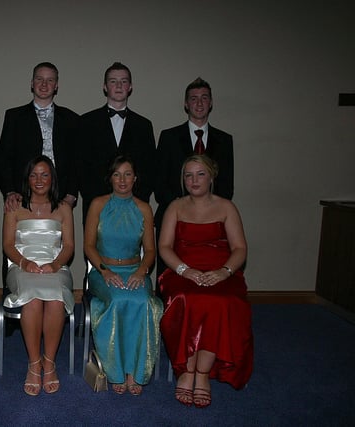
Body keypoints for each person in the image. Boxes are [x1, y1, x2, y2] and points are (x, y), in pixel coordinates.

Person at [158, 154, 253, 408]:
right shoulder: (175, 207)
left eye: (200, 174)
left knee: (219, 301)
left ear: (211, 177)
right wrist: (184, 270)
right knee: (187, 299)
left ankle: (203, 374)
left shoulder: (226, 207)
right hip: (182, 273)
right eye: (188, 175)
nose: (194, 180)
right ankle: (187, 371)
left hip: (221, 272)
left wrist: (224, 271)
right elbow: (165, 247)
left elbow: (240, 248)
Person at [84, 154, 163, 395]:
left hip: (135, 270)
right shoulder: (98, 204)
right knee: (118, 300)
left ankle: (134, 372)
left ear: (135, 178)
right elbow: (88, 246)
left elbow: (150, 250)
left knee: (143, 302)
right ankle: (115, 371)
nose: (122, 180)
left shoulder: (144, 208)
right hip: (102, 271)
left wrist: (142, 271)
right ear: (110, 178)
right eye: (117, 174)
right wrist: (105, 272)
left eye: (128, 174)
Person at [2, 155, 74, 396]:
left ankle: (49, 362)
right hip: (21, 267)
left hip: (56, 267)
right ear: (27, 179)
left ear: (52, 177)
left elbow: (69, 247)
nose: (39, 180)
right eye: (34, 175)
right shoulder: (15, 207)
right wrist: (25, 262)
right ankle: (34, 364)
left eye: (44, 174)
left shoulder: (64, 208)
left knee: (55, 298)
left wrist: (55, 264)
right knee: (31, 298)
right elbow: (8, 246)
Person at [155, 77, 234, 279]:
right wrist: (184, 209)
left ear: (211, 103)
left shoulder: (224, 140)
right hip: (175, 222)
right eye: (193, 98)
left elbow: (226, 185)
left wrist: (207, 212)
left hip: (213, 223)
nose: (199, 103)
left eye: (204, 98)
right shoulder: (168, 137)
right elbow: (160, 182)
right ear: (186, 104)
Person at [79, 62, 156, 222]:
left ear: (130, 87)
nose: (119, 85)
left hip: (133, 205)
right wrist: (96, 199)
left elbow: (149, 167)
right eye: (113, 81)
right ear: (105, 87)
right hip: (97, 206)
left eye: (124, 81)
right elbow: (80, 166)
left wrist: (136, 199)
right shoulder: (86, 122)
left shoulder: (144, 125)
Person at [0, 62, 79, 213]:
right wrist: (9, 191)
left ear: (56, 85)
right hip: (21, 196)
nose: (44, 84)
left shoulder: (71, 119)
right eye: (39, 79)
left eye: (50, 80)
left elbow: (76, 160)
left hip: (60, 197)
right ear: (32, 83)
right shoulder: (14, 117)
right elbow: (5, 157)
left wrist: (71, 195)